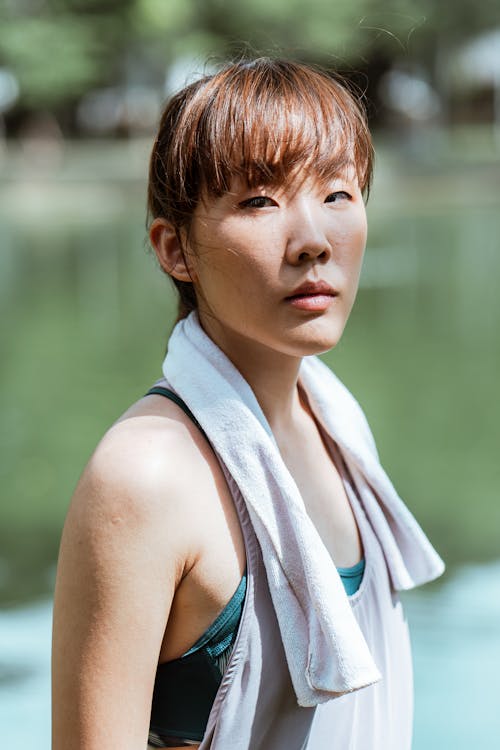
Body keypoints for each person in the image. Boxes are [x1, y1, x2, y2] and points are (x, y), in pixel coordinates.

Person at [51, 58, 444, 750]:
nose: (314, 242)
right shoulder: (147, 476)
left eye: (337, 194)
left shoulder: (336, 421)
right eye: (260, 201)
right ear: (176, 249)